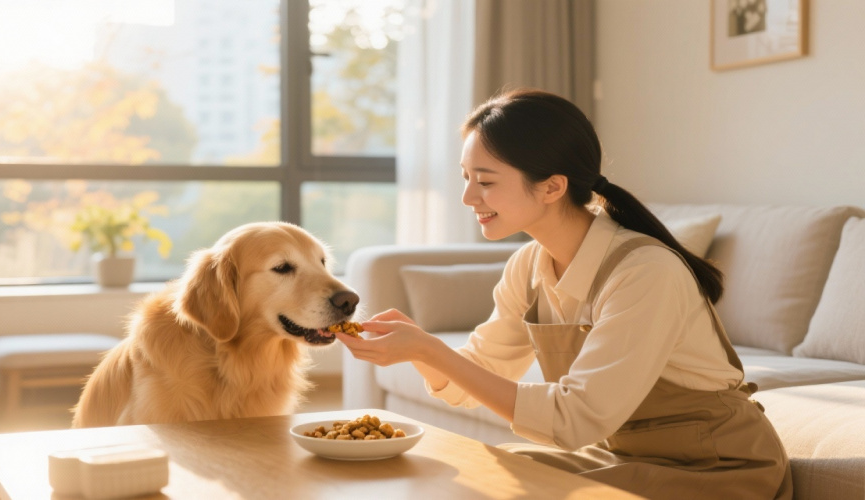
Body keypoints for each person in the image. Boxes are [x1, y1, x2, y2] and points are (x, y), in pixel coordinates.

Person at [338, 89, 792, 499]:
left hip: (718, 470)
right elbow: (478, 374)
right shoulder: (528, 265)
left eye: (486, 180)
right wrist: (417, 348)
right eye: (465, 177)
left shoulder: (645, 271)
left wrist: (432, 350)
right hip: (632, 458)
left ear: (553, 186)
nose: (467, 197)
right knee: (468, 475)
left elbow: (574, 421)